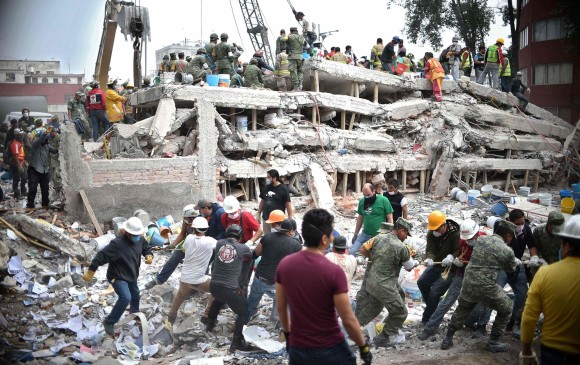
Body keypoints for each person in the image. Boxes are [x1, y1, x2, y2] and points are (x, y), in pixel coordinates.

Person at [276, 208, 372, 365]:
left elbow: (281, 308)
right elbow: (348, 319)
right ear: (324, 239)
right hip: (330, 347)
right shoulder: (333, 271)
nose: (333, 237)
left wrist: (288, 336)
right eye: (332, 233)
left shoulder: (285, 265)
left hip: (298, 347)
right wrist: (363, 347)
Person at [441, 220, 519, 353]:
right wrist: (515, 262)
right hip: (486, 286)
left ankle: (447, 339)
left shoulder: (481, 239)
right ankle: (493, 342)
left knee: (462, 309)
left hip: (468, 281)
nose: (511, 239)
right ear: (507, 235)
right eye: (511, 236)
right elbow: (510, 269)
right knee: (507, 307)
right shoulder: (507, 250)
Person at [520, 215, 580, 365]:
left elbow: (529, 317)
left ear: (565, 245)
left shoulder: (545, 274)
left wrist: (527, 350)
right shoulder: (539, 232)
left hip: (553, 349)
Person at [418, 219, 486, 340]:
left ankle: (472, 323)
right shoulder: (462, 240)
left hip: (479, 276)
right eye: (467, 239)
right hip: (461, 274)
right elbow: (457, 251)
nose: (469, 241)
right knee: (447, 302)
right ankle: (430, 328)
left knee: (482, 303)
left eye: (470, 238)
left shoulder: (487, 242)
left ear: (476, 233)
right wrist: (456, 259)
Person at [83, 217, 153, 335]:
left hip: (131, 275)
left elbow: (146, 248)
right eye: (134, 234)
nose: (137, 237)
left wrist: (149, 255)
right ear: (128, 233)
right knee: (126, 297)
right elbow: (101, 256)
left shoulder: (140, 240)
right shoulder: (117, 244)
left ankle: (134, 314)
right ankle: (109, 322)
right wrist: (91, 271)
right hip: (117, 276)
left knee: (135, 295)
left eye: (138, 234)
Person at [356, 218, 417, 347]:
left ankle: (351, 329)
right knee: (401, 312)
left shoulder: (379, 238)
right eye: (406, 234)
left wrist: (373, 258)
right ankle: (384, 337)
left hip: (371, 281)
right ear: (401, 230)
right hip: (384, 285)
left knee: (374, 307)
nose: (406, 237)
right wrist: (414, 261)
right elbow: (409, 267)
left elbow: (363, 249)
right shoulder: (402, 247)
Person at [205, 224, 254, 352]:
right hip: (229, 288)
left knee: (218, 300)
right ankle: (236, 342)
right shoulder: (243, 247)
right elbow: (250, 256)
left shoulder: (219, 243)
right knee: (243, 312)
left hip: (214, 286)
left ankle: (209, 325)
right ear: (240, 235)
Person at [248, 218, 301, 321]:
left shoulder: (268, 237)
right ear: (291, 231)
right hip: (277, 284)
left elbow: (256, 253)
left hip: (260, 278)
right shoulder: (296, 245)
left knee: (252, 301)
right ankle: (275, 319)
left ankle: (247, 316)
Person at [167, 217, 217, 327]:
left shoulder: (189, 238)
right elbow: (220, 247)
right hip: (199, 280)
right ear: (206, 229)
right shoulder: (211, 241)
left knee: (180, 296)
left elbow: (185, 247)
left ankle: (171, 318)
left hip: (185, 278)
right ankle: (206, 315)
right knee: (217, 289)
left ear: (193, 229)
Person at [418, 210, 460, 324]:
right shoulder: (432, 232)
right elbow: (430, 248)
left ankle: (427, 319)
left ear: (444, 225)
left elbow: (459, 249)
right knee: (422, 282)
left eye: (437, 229)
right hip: (437, 264)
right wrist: (430, 258)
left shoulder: (455, 233)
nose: (435, 232)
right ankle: (433, 306)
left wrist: (452, 256)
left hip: (450, 269)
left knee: (435, 293)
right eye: (433, 229)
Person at [350, 183, 394, 256]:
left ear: (373, 191)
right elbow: (360, 218)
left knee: (379, 255)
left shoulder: (383, 200)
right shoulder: (362, 201)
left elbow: (390, 218)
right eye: (364, 195)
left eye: (368, 194)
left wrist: (389, 235)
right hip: (365, 234)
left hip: (379, 235)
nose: (366, 197)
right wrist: (355, 234)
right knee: (352, 252)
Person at [257, 169, 293, 233]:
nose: (267, 179)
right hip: (266, 218)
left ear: (274, 178)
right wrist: (258, 213)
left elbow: (288, 204)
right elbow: (262, 201)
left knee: (278, 238)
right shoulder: (266, 188)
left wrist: (290, 218)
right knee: (267, 237)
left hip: (277, 220)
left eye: (269, 177)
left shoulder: (283, 189)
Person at [26, 126, 51, 208]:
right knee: (33, 188)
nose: (46, 141)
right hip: (34, 169)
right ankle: (30, 204)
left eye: (47, 139)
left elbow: (55, 150)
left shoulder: (47, 145)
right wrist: (45, 133)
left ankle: (45, 204)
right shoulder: (35, 144)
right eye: (45, 139)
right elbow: (40, 140)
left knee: (45, 189)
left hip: (44, 170)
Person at [287, 27, 307, 91]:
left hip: (292, 56)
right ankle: (300, 84)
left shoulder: (290, 37)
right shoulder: (301, 37)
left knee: (293, 71)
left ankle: (296, 87)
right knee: (300, 71)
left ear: (291, 31)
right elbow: (306, 45)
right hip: (300, 57)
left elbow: (282, 40)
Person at [47, 125, 63, 203]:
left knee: (57, 176)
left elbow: (60, 149)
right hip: (52, 160)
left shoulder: (59, 138)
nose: (50, 134)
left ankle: (61, 193)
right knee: (53, 177)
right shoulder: (49, 138)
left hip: (58, 160)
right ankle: (57, 193)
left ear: (54, 131)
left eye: (51, 132)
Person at [9, 129, 27, 198]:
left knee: (25, 176)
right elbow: (15, 155)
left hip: (21, 163)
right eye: (19, 134)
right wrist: (19, 166)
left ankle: (23, 191)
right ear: (16, 135)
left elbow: (21, 154)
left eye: (21, 134)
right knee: (16, 178)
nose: (21, 135)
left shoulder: (19, 142)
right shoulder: (15, 144)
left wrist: (23, 161)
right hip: (16, 164)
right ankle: (16, 193)